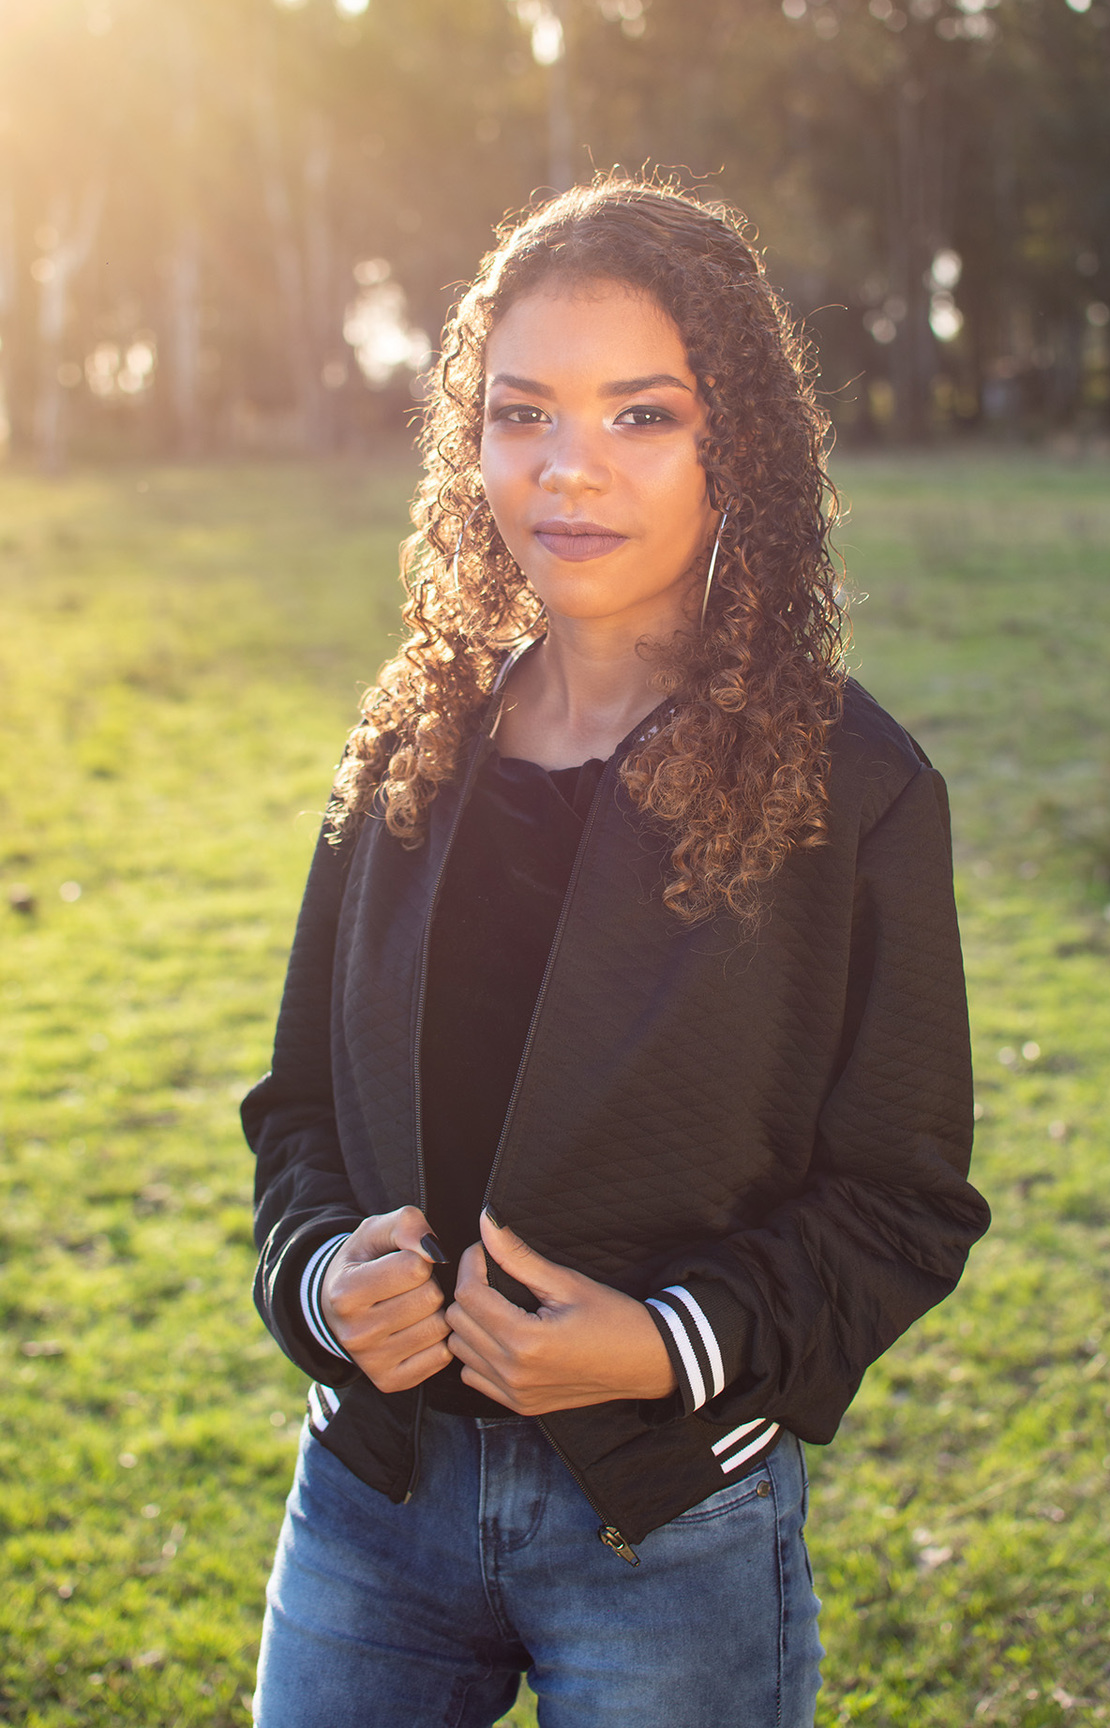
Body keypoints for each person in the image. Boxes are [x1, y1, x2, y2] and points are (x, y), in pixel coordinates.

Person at [243, 176, 990, 1728]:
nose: (567, 468)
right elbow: (299, 1108)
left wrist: (659, 1347)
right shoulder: (411, 738)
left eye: (641, 415)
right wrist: (319, 1285)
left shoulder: (851, 788)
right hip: (374, 1495)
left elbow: (904, 1199)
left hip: (668, 1522)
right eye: (522, 413)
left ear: (740, 448)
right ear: (472, 443)